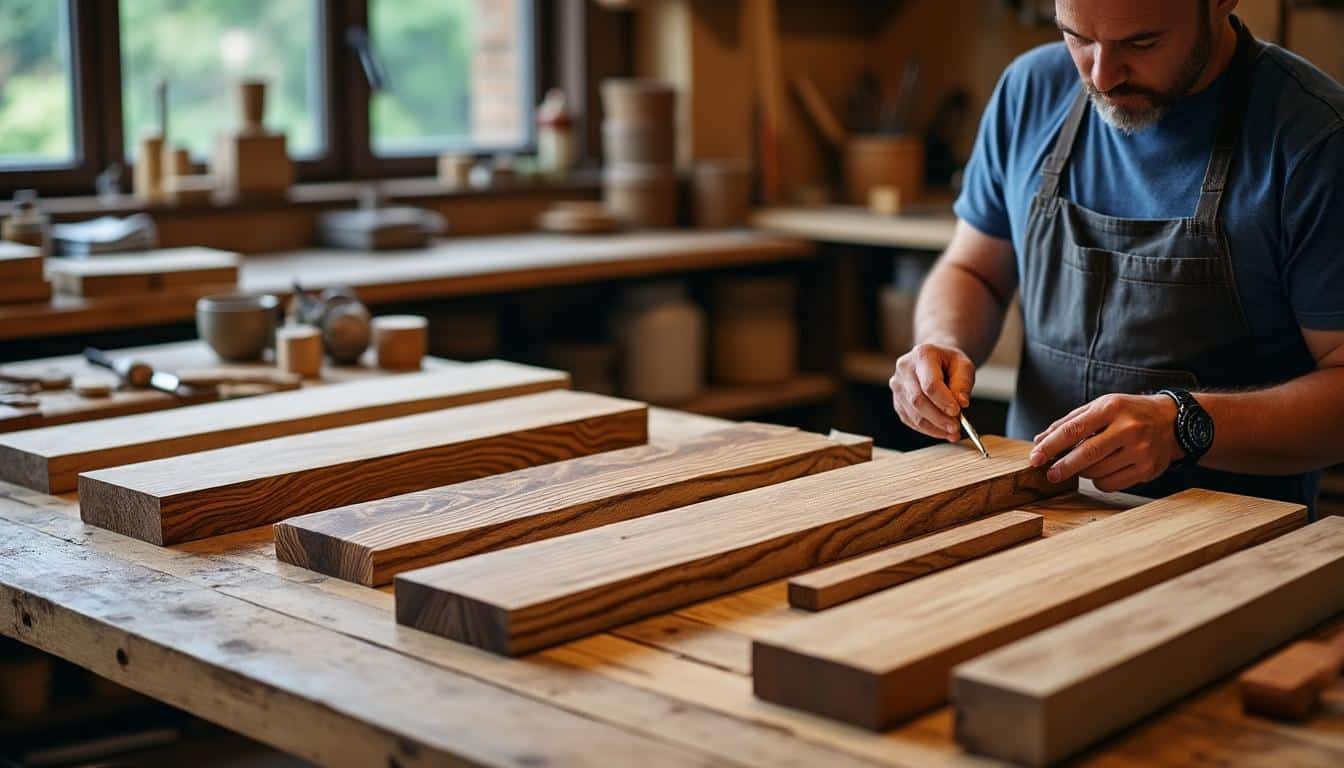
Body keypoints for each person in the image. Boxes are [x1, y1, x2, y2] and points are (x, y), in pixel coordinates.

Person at [888, 0, 1344, 514]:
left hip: (1226, 545)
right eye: (1078, 38)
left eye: (1141, 43)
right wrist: (940, 343)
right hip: (1039, 519)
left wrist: (1182, 426)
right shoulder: (1029, 92)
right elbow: (973, 271)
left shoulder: (1316, 140)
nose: (1102, 77)